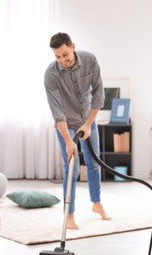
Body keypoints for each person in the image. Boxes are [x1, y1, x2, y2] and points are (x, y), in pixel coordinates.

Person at [44, 32, 111, 230]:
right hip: (66, 125)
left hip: (88, 121)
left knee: (93, 163)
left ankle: (96, 203)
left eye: (65, 54)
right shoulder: (51, 74)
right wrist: (68, 140)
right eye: (57, 56)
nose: (62, 60)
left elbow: (98, 95)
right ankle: (70, 214)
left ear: (72, 46)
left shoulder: (90, 60)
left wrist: (88, 124)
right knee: (71, 169)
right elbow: (57, 113)